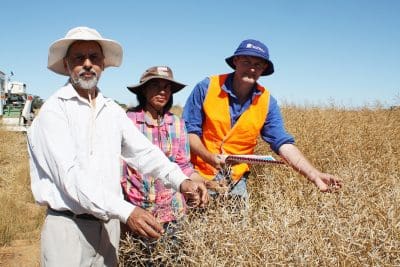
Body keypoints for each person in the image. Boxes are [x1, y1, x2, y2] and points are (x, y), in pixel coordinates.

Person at [27, 26, 207, 267]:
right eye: (79, 58)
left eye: (94, 57)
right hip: (68, 228)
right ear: (67, 65)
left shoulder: (110, 110)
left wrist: (181, 181)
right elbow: (71, 179)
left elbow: (144, 152)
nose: (88, 63)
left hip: (108, 224)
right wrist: (126, 211)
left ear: (103, 65)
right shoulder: (54, 111)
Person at [182, 39, 342, 201]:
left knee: (237, 225)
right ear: (236, 61)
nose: (251, 69)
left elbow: (282, 143)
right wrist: (209, 156)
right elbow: (189, 132)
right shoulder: (207, 87)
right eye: (246, 62)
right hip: (197, 173)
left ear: (264, 68)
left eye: (258, 65)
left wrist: (314, 175)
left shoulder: (267, 101)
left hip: (235, 178)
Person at [121, 65, 207, 263]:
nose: (163, 91)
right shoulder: (128, 121)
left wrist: (196, 182)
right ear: (143, 90)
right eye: (156, 86)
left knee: (171, 259)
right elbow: (118, 169)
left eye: (167, 87)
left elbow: (183, 164)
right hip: (138, 211)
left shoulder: (176, 123)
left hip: (172, 211)